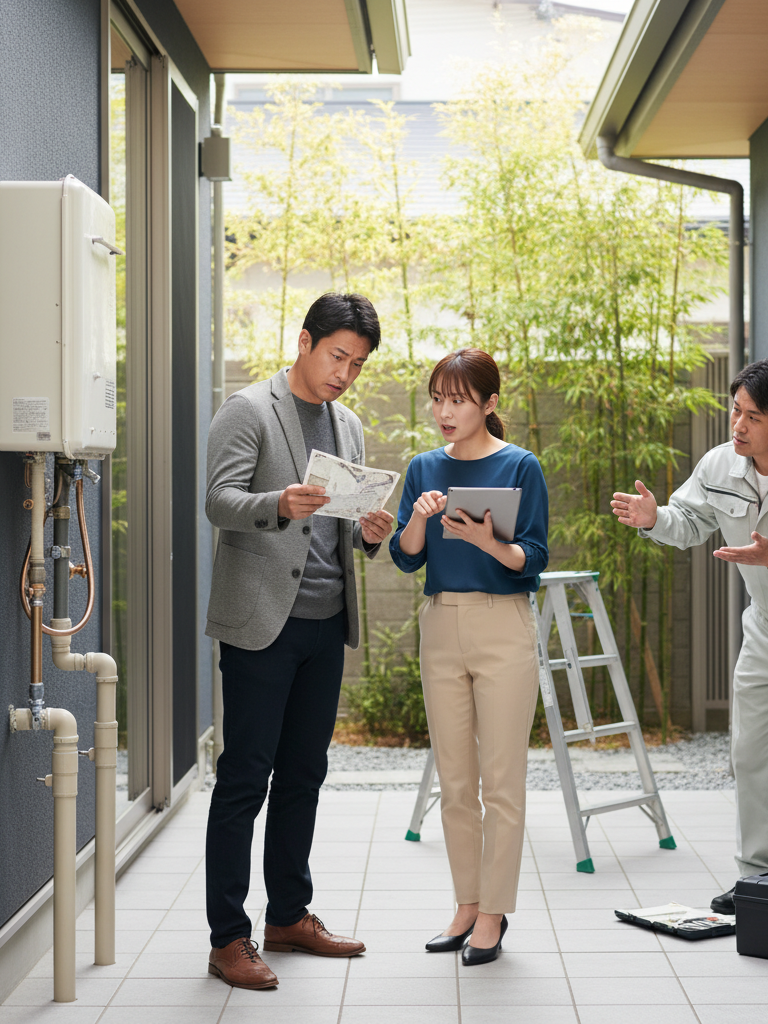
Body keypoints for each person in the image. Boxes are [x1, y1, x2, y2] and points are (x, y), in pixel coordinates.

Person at [611, 358, 768, 927]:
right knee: (750, 758)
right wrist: (655, 519)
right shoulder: (720, 464)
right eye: (735, 410)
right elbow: (689, 522)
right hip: (764, 634)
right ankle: (756, 878)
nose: (738, 424)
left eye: (754, 416)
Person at [203, 293, 394, 989]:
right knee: (245, 777)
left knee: (304, 776)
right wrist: (277, 502)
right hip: (260, 622)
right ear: (306, 341)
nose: (346, 373)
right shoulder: (248, 409)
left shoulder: (348, 424)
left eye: (359, 363)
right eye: (338, 356)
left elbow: (345, 523)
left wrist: (370, 534)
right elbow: (218, 501)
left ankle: (288, 915)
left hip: (325, 621)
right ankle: (229, 937)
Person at [389, 348, 549, 966]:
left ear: (489, 403)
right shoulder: (423, 467)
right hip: (441, 622)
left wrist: (490, 540)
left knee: (501, 781)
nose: (444, 411)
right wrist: (421, 522)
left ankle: (494, 912)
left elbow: (531, 556)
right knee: (456, 780)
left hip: (503, 622)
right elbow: (406, 557)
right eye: (437, 398)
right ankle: (465, 902)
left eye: (458, 399)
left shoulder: (520, 465)